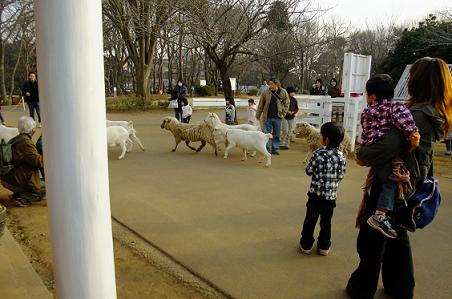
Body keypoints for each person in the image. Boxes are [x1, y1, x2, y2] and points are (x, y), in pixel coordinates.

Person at [346, 57, 452, 299]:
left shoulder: (418, 113)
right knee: (395, 235)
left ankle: (362, 288)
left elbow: (386, 147)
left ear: (419, 80)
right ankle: (400, 287)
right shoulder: (433, 110)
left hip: (393, 182)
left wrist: (361, 153)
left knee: (373, 238)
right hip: (408, 180)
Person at [358, 74, 420, 239]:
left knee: (381, 183)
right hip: (387, 159)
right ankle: (380, 216)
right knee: (390, 183)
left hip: (373, 155)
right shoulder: (396, 107)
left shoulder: (366, 112)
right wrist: (413, 138)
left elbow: (364, 134)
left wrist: (362, 151)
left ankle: (380, 214)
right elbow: (407, 124)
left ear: (372, 96)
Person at [299, 122, 347, 256]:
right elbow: (341, 175)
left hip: (315, 195)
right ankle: (324, 246)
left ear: (326, 139)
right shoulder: (341, 156)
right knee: (326, 222)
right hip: (331, 196)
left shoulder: (318, 154)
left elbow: (309, 171)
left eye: (322, 135)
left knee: (310, 220)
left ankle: (306, 245)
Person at [1, 116, 45, 207]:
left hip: (10, 177)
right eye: (34, 127)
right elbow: (38, 162)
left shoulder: (19, 138)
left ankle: (20, 193)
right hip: (14, 179)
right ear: (31, 129)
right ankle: (28, 195)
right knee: (43, 190)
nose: (35, 129)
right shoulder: (25, 143)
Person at [256, 78, 290, 155]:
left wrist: (283, 113)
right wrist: (258, 114)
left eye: (271, 84)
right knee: (265, 134)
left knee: (276, 134)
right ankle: (266, 149)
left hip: (278, 116)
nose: (269, 86)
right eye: (269, 84)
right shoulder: (265, 92)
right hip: (267, 116)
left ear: (276, 84)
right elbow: (261, 104)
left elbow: (287, 103)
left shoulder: (283, 92)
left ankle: (275, 149)